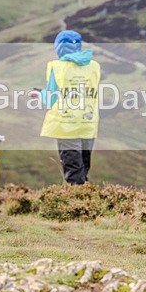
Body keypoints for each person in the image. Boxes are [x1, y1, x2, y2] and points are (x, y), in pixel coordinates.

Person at [39, 30, 100, 184]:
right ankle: (86, 200)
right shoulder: (94, 66)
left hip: (67, 127)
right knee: (83, 168)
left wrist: (40, 95)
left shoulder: (57, 68)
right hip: (88, 125)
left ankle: (76, 204)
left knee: (73, 171)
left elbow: (51, 98)